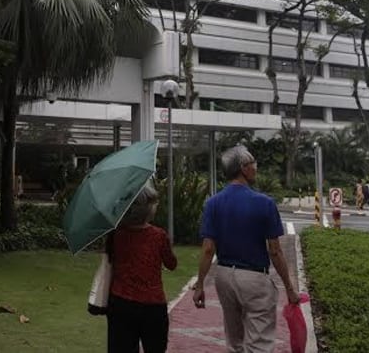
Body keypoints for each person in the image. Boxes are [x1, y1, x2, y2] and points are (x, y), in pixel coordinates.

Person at [193, 145, 299, 353]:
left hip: (224, 277)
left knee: (235, 343)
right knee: (259, 343)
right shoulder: (264, 203)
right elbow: (275, 251)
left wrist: (200, 284)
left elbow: (208, 249)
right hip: (254, 280)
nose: (256, 168)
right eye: (253, 164)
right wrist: (289, 287)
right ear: (243, 168)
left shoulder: (213, 203)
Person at [106, 181, 177, 353]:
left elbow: (110, 258)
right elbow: (172, 264)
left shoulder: (115, 234)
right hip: (152, 305)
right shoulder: (158, 236)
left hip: (121, 302)